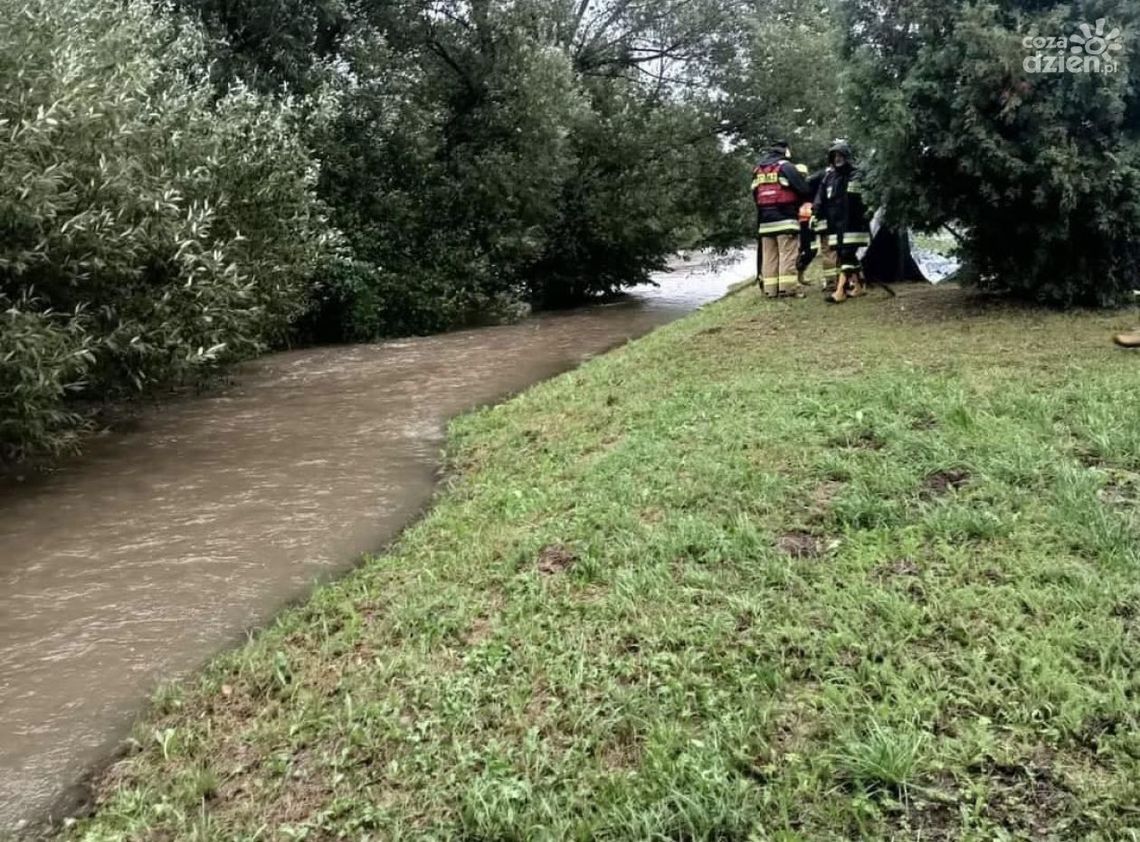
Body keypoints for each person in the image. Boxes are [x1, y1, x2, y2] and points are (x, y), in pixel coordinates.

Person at [751, 141, 814, 298]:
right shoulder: (786, 167)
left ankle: (770, 290)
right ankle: (788, 289)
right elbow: (804, 189)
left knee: (769, 256)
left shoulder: (758, 170)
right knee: (787, 254)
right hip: (785, 219)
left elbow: (755, 194)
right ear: (785, 151)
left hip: (765, 221)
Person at [813, 141, 871, 303]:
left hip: (853, 223)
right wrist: (815, 214)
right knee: (844, 255)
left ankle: (840, 291)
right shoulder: (829, 177)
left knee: (846, 255)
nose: (837, 158)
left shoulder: (856, 174)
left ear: (847, 156)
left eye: (840, 155)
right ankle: (859, 287)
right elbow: (820, 198)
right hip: (835, 225)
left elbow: (863, 198)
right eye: (835, 156)